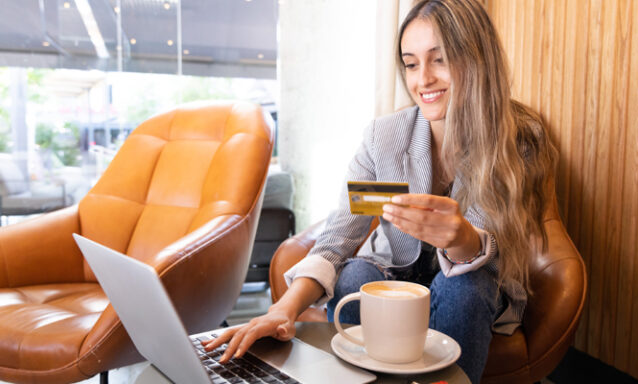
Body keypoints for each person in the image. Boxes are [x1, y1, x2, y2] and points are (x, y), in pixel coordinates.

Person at [203, 0, 557, 382]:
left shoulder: (519, 138)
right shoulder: (383, 138)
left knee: (466, 289)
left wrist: (464, 239)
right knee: (355, 277)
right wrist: (283, 308)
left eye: (439, 59)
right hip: (396, 273)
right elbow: (339, 236)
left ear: (477, 58)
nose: (423, 80)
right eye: (411, 63)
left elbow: (500, 243)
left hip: (474, 283)